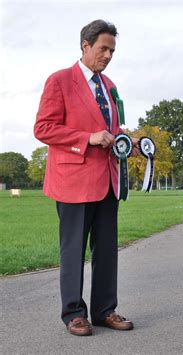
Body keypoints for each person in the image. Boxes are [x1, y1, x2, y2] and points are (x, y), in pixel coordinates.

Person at [34, 19, 138, 336]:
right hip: (73, 183)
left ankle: (105, 310)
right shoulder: (60, 81)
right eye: (103, 48)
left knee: (107, 250)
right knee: (73, 251)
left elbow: (113, 130)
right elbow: (44, 129)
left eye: (112, 51)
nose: (108, 55)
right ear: (86, 45)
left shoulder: (110, 87)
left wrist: (128, 143)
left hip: (108, 181)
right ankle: (74, 314)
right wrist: (87, 138)